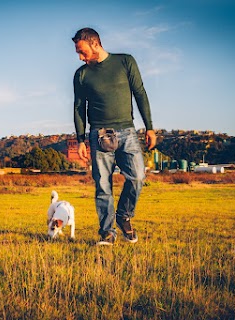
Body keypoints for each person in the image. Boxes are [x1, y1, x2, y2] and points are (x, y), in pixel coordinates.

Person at [72, 27, 156, 245]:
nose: (81, 57)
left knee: (138, 177)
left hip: (127, 131)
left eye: (83, 52)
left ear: (95, 44)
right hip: (98, 134)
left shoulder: (125, 62)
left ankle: (124, 215)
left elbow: (140, 93)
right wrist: (80, 139)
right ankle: (107, 232)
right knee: (103, 186)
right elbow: (78, 108)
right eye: (78, 54)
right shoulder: (81, 74)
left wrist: (149, 126)